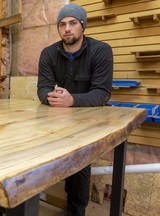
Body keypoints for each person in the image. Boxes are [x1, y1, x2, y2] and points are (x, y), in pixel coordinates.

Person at [37, 3, 113, 216]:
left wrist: (72, 100)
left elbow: (102, 93)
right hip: (58, 115)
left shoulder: (101, 51)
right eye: (62, 24)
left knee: (80, 159)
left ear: (83, 26)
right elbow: (42, 87)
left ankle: (76, 210)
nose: (67, 28)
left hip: (89, 119)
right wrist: (51, 97)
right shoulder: (48, 54)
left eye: (73, 23)